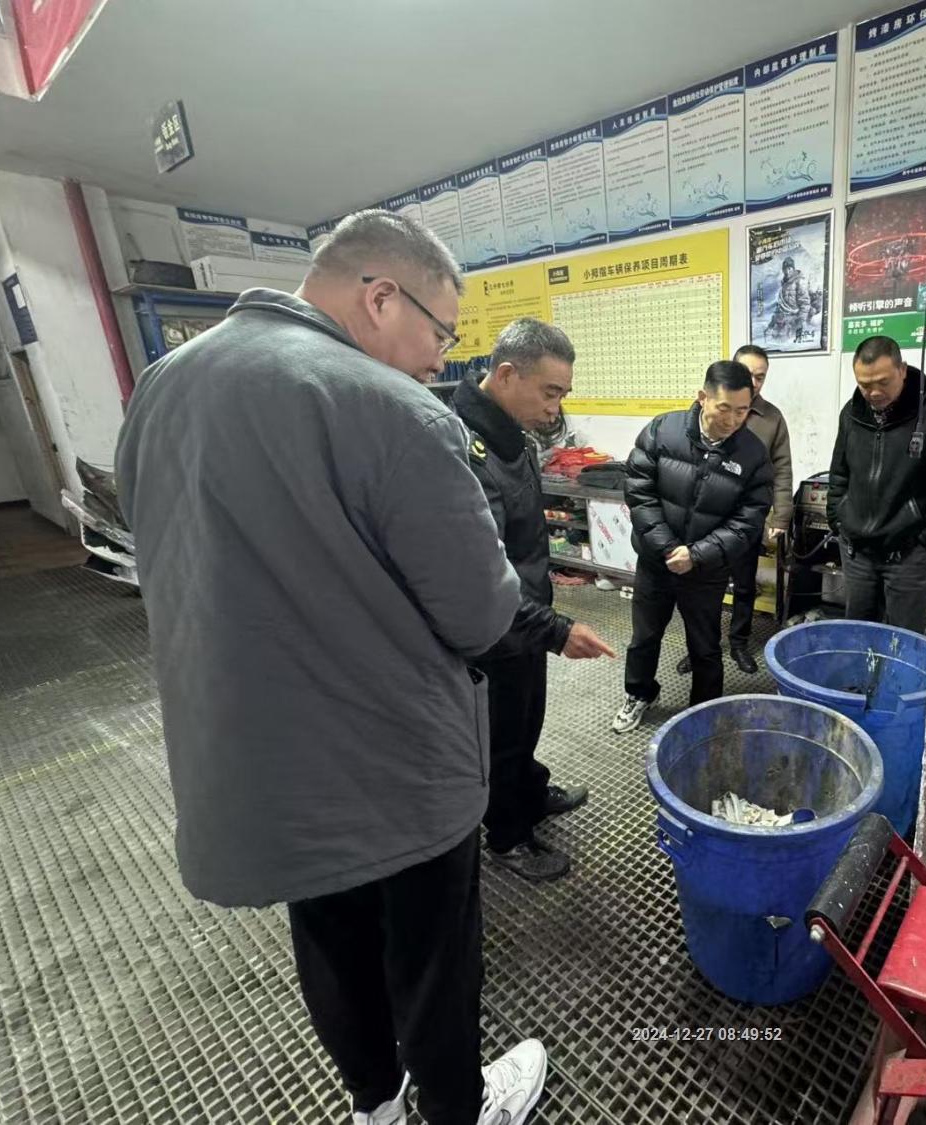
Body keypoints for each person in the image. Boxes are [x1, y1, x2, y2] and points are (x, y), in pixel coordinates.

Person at [115, 210, 548, 1125]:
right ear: (381, 295)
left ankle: (374, 1105)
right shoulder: (394, 410)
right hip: (395, 763)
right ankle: (458, 1109)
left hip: (260, 759)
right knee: (432, 955)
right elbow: (479, 613)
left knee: (331, 940)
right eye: (441, 333)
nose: (441, 360)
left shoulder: (164, 383)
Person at [453, 318, 615, 883]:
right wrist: (554, 629)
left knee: (528, 719)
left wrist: (543, 621)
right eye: (549, 392)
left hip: (527, 616)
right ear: (505, 375)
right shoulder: (463, 452)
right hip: (495, 627)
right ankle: (507, 836)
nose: (555, 409)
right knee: (500, 734)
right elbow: (479, 574)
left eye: (562, 394)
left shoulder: (514, 437)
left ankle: (530, 790)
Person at [611, 360, 773, 734]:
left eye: (742, 410)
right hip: (656, 562)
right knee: (644, 637)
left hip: (706, 569)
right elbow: (639, 492)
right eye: (724, 408)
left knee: (705, 646)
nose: (732, 420)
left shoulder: (752, 453)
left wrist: (697, 555)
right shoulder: (662, 430)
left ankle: (704, 712)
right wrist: (668, 549)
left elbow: (749, 520)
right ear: (703, 397)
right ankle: (639, 694)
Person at [675, 345, 792, 676]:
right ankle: (701, 647)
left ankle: (739, 643)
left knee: (744, 586)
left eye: (760, 377)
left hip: (745, 520)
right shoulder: (708, 408)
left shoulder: (771, 418)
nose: (753, 382)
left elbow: (782, 468)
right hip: (707, 520)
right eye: (747, 373)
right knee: (702, 590)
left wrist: (781, 515)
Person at [828, 335, 926, 635]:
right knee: (857, 634)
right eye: (864, 384)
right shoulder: (852, 413)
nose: (873, 392)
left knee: (903, 639)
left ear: (902, 370)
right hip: (857, 552)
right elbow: (839, 472)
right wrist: (837, 517)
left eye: (883, 382)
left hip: (908, 554)